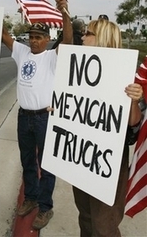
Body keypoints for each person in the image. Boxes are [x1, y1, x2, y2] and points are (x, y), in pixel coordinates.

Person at [1, 0, 73, 230]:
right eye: (31, 37)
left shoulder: (52, 57)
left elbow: (69, 39)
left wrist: (64, 12)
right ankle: (31, 198)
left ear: (47, 40)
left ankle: (45, 207)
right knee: (27, 161)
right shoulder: (22, 53)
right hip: (24, 117)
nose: (33, 41)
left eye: (38, 38)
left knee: (47, 164)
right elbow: (5, 37)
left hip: (44, 117)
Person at [68, 18, 143, 237]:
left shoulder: (127, 72)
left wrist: (133, 100)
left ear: (102, 38)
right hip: (81, 154)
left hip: (108, 159)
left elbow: (133, 127)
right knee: (85, 217)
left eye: (87, 34)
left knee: (104, 226)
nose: (82, 37)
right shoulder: (78, 69)